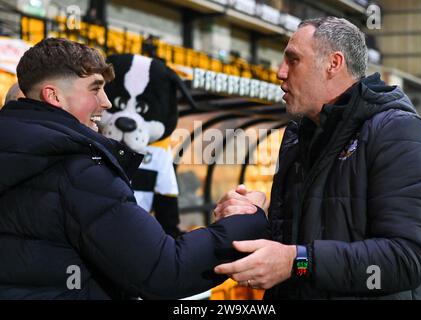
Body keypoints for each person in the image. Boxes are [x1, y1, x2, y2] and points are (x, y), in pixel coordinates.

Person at [0, 37, 268, 299]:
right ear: (54, 96)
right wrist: (246, 221)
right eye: (95, 89)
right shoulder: (80, 170)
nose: (106, 102)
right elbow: (164, 271)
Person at [213, 17, 421, 299]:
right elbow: (294, 245)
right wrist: (250, 221)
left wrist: (296, 262)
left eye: (293, 60)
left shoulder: (398, 132)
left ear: (333, 64)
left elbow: (408, 259)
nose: (279, 72)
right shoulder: (299, 136)